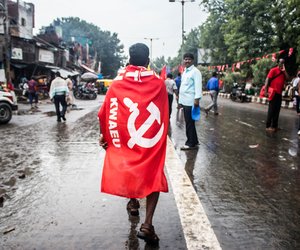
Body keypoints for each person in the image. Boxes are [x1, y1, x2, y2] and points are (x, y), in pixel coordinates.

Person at [98, 43, 169, 246]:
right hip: (151, 138)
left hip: (126, 136)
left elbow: (106, 112)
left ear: (129, 60)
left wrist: (104, 135)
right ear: (147, 62)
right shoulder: (158, 83)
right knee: (153, 173)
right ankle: (147, 225)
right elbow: (165, 111)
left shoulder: (117, 83)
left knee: (129, 166)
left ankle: (133, 202)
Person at [178, 53, 202, 150]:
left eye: (189, 59)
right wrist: (180, 101)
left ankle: (190, 143)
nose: (187, 61)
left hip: (191, 101)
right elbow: (183, 87)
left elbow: (198, 86)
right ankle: (194, 140)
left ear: (192, 60)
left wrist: (197, 99)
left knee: (189, 123)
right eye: (185, 59)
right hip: (184, 101)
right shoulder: (185, 72)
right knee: (189, 122)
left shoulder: (195, 72)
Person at [264, 58, 289, 133]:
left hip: (279, 94)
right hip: (273, 93)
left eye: (283, 63)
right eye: (281, 63)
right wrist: (266, 91)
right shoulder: (273, 70)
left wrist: (284, 71)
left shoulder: (283, 72)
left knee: (277, 110)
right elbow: (267, 80)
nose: (282, 64)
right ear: (278, 63)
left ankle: (274, 126)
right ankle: (268, 126)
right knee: (271, 110)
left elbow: (287, 78)